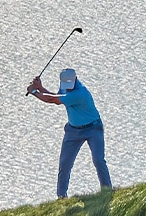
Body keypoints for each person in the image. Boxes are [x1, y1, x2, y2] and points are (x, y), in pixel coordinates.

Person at [28, 65, 113, 198]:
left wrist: (34, 92)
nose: (68, 86)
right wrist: (40, 88)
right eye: (65, 84)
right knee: (64, 163)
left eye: (70, 84)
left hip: (93, 128)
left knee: (98, 160)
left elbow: (53, 100)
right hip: (73, 131)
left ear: (76, 79)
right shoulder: (65, 87)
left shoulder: (81, 93)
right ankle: (61, 197)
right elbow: (56, 96)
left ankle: (107, 190)